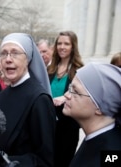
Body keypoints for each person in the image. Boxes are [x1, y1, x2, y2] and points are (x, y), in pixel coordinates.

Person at [0, 33, 56, 166]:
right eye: (4, 53)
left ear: (28, 59)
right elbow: (3, 138)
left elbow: (43, 160)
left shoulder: (40, 99)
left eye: (15, 53)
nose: (8, 59)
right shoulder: (0, 97)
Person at [62, 63, 121, 167]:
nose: (66, 95)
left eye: (75, 91)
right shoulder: (96, 136)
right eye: (70, 87)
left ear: (99, 107)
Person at [47, 31, 84, 167]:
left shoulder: (80, 70)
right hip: (49, 125)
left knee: (63, 162)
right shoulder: (50, 68)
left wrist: (66, 97)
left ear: (73, 46)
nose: (62, 47)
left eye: (66, 44)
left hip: (68, 128)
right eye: (59, 43)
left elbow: (84, 96)